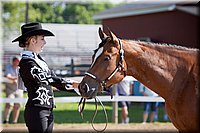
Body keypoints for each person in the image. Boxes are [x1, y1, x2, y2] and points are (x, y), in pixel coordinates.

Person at [12, 22, 80, 133]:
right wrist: (71, 83)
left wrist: (79, 89)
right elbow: (47, 78)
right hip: (37, 111)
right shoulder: (27, 63)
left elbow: (53, 79)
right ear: (33, 41)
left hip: (47, 110)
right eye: (42, 39)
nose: (45, 42)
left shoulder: (39, 61)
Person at [3, 56, 23, 124]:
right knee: (9, 104)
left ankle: (15, 121)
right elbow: (8, 76)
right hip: (10, 89)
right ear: (14, 61)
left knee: (17, 105)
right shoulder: (8, 67)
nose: (19, 62)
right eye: (18, 61)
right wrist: (15, 79)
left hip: (19, 89)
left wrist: (15, 79)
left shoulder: (21, 68)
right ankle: (5, 120)